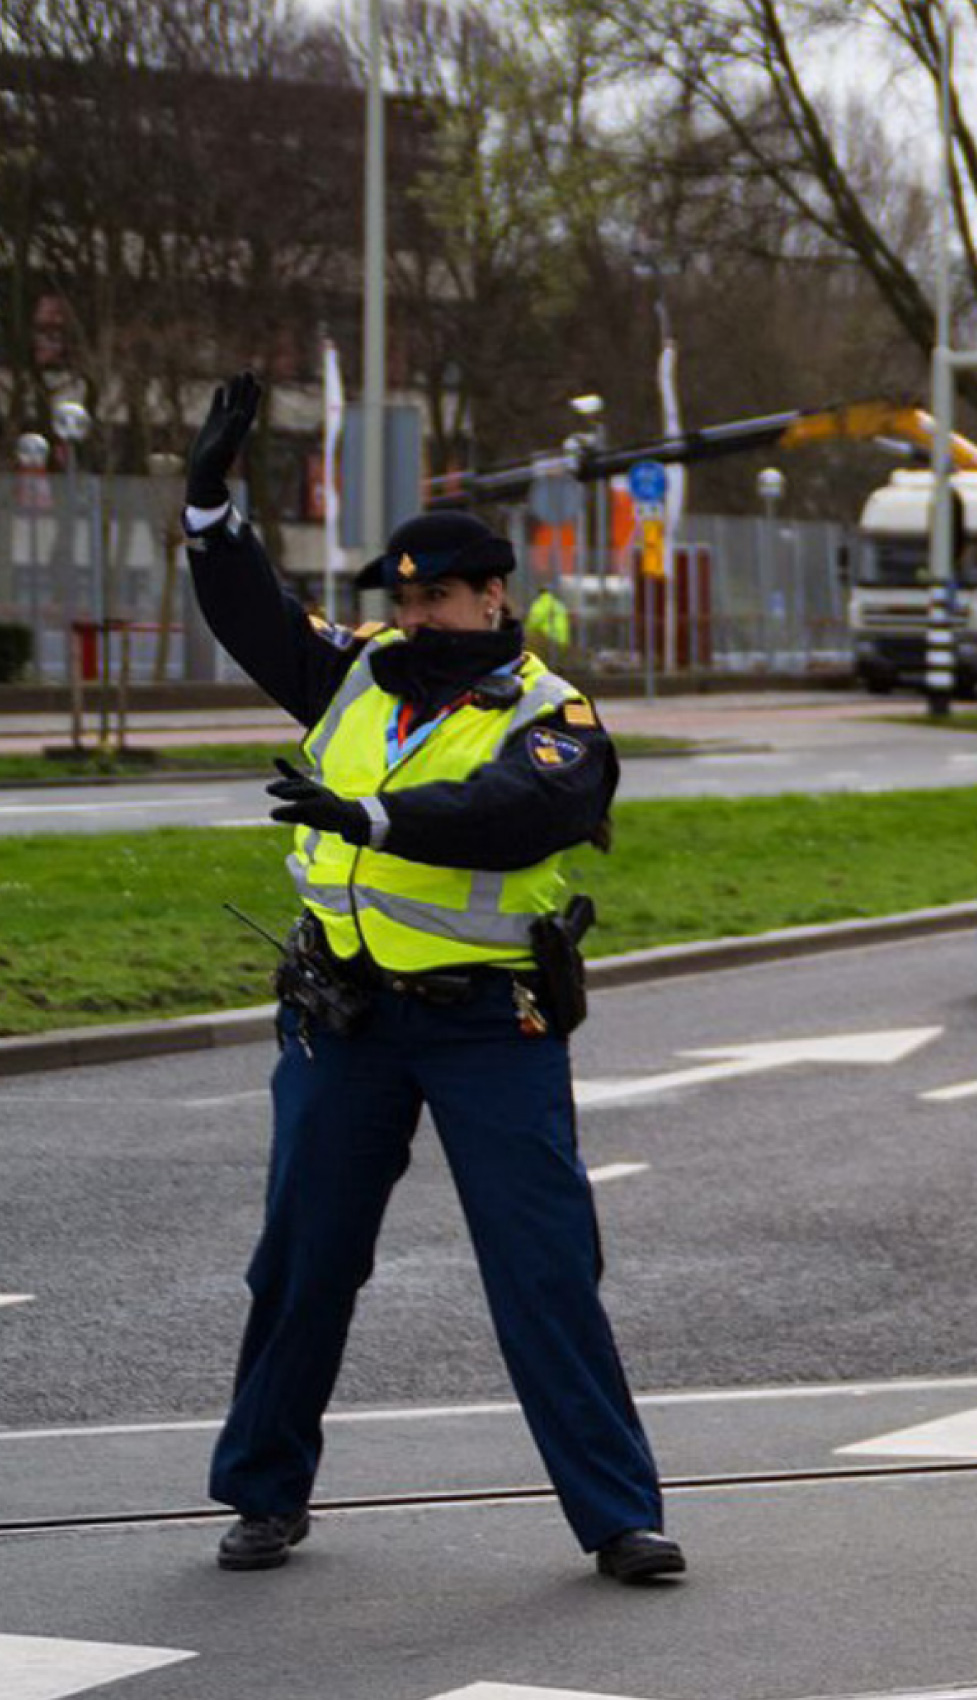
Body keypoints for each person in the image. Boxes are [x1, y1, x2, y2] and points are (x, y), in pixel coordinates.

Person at [180, 372, 682, 1585]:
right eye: (404, 599)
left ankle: (618, 1516)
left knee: (544, 1268)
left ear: (495, 596)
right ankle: (263, 1491)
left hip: (485, 1027)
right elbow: (257, 618)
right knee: (302, 1261)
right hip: (342, 1020)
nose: (417, 616)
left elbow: (518, 811)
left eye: (440, 597)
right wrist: (209, 508)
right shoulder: (355, 673)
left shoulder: (554, 711)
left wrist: (374, 813)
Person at [525, 584, 572, 663]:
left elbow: (535, 620)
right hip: (563, 639)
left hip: (549, 638)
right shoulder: (558, 604)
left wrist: (527, 630)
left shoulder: (541, 604)